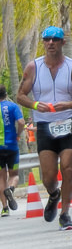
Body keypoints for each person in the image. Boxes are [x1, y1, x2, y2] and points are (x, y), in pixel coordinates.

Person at [16, 26, 72, 230]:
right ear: (43, 42)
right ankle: (54, 194)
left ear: (62, 43)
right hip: (45, 125)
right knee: (48, 177)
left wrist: (70, 104)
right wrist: (33, 104)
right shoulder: (33, 67)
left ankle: (65, 214)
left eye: (55, 40)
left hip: (68, 122)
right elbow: (20, 95)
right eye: (47, 39)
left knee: (67, 167)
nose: (50, 43)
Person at [0, 86, 25, 217]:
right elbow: (21, 122)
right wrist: (18, 134)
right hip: (12, 147)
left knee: (0, 178)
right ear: (5, 94)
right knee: (14, 175)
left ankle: (4, 208)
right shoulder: (12, 106)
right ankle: (10, 189)